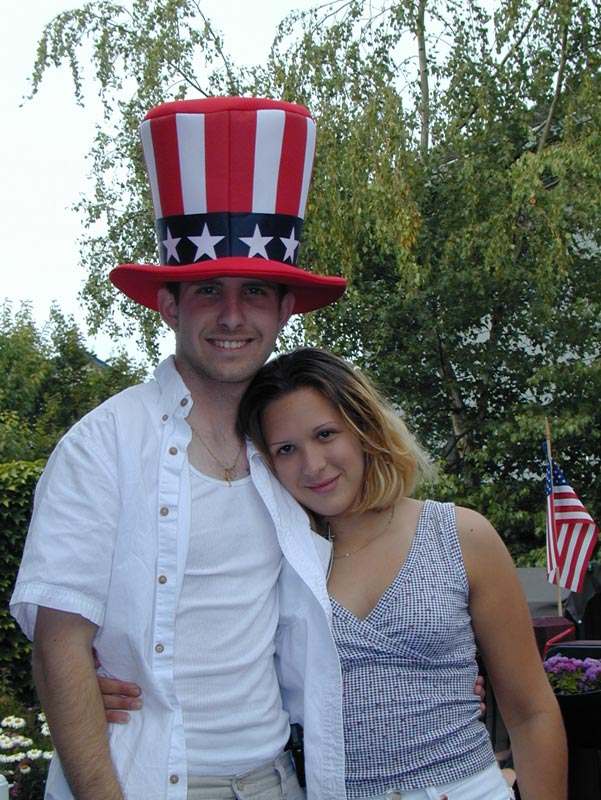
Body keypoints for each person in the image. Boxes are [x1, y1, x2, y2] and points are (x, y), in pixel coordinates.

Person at [10, 97, 349, 800]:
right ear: (169, 304)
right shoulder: (102, 445)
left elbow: (364, 566)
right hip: (149, 781)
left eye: (255, 292)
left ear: (285, 309)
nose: (232, 315)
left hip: (277, 779)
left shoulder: (291, 450)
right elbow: (59, 644)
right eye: (207, 290)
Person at [237, 347, 568, 800]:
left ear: (364, 428)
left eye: (326, 434)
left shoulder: (461, 535)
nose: (312, 465)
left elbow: (532, 712)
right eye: (286, 449)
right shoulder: (274, 563)